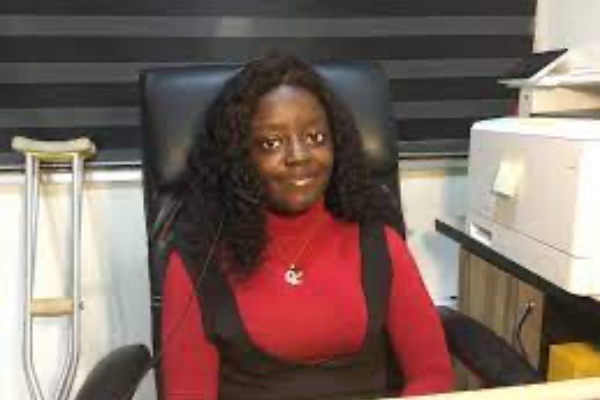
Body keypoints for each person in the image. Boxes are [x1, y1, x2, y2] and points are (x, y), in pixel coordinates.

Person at [161, 53, 454, 399]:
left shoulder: (377, 241)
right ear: (239, 156)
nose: (299, 155)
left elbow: (432, 376)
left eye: (316, 137)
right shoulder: (199, 260)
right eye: (271, 143)